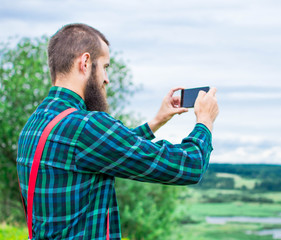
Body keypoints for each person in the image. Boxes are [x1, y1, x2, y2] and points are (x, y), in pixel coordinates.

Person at [17, 23, 218, 239]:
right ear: (85, 63)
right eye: (105, 66)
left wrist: (156, 121)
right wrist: (204, 122)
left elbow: (104, 149)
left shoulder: (35, 124)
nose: (106, 79)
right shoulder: (86, 127)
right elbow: (189, 166)